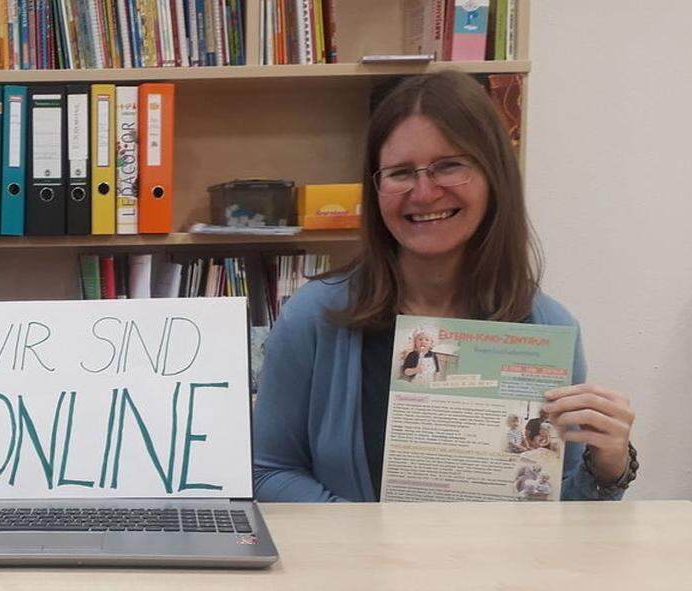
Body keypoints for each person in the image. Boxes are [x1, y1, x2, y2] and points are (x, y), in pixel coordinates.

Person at [252, 71, 637, 502]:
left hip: (499, 570)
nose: (423, 191)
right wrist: (376, 541)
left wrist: (608, 468)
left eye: (449, 166)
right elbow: (269, 472)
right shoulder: (315, 317)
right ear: (376, 189)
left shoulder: (547, 328)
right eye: (399, 172)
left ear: (494, 175)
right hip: (355, 569)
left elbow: (555, 505)